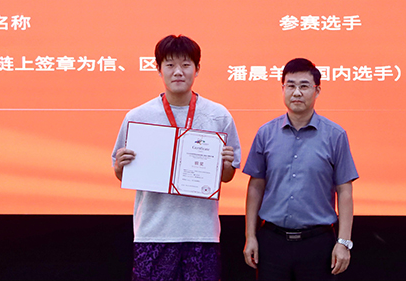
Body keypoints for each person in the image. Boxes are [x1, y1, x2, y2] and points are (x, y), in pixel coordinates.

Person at [112, 34, 241, 281]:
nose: (178, 72)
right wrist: (121, 165)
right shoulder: (138, 117)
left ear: (197, 69)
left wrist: (226, 164)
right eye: (170, 65)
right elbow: (121, 173)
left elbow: (227, 176)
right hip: (153, 232)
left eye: (186, 65)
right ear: (158, 69)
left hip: (202, 233)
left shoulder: (219, 116)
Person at [242, 58, 358, 280]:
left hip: (318, 243)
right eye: (291, 85)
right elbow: (255, 187)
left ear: (317, 90)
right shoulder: (265, 133)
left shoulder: (335, 135)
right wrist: (251, 236)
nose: (297, 92)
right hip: (272, 241)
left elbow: (345, 191)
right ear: (283, 88)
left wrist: (343, 242)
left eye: (304, 86)